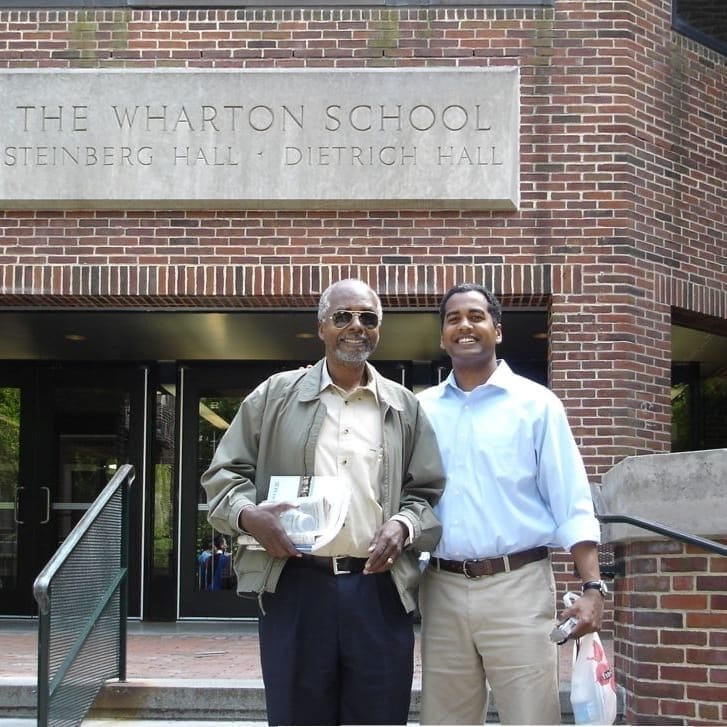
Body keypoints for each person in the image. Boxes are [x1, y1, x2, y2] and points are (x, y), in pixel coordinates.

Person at [201, 278, 445, 726]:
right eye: (343, 316)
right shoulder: (275, 395)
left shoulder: (404, 407)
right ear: (321, 327)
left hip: (378, 590)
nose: (356, 327)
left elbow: (426, 492)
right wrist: (248, 516)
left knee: (380, 716)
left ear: (379, 330)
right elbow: (223, 475)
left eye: (368, 318)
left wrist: (405, 525)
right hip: (295, 587)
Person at [417, 282, 605, 726]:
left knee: (531, 717)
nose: (464, 325)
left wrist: (593, 586)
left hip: (517, 586)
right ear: (443, 336)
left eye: (476, 316)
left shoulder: (537, 405)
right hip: (440, 588)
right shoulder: (419, 409)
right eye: (453, 318)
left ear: (497, 331)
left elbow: (571, 500)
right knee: (445, 719)